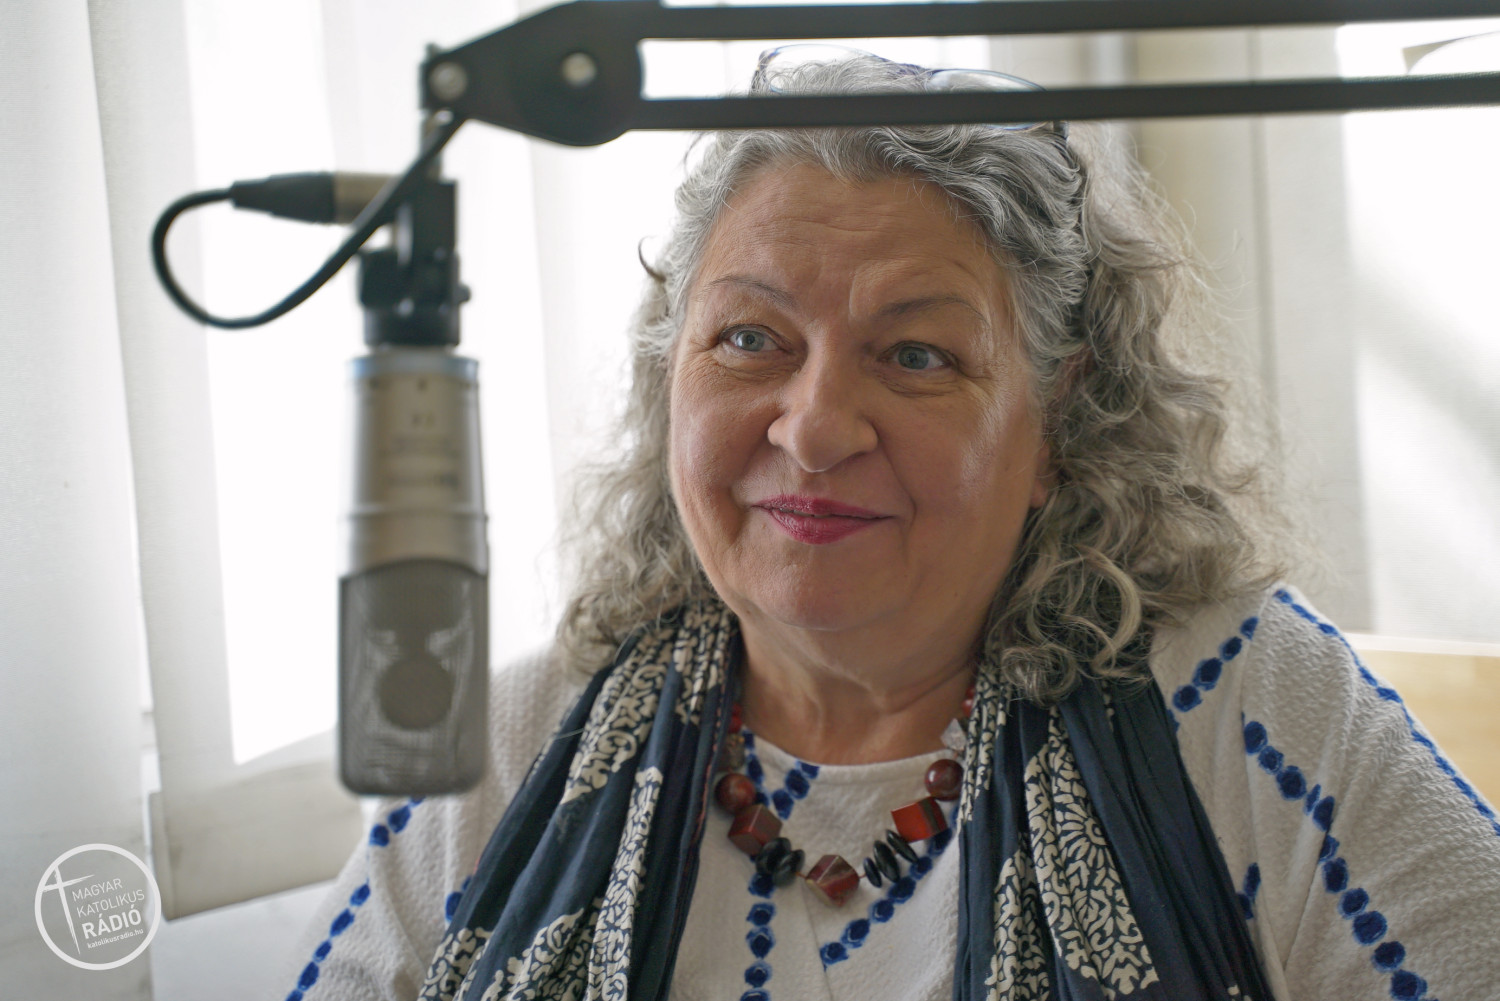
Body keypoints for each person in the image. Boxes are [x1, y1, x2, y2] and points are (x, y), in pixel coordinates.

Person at [278, 50, 1500, 1001]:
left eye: (916, 354)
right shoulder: (509, 744)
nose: (814, 428)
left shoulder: (1247, 702)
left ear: (1056, 424)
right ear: (669, 376)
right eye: (750, 338)